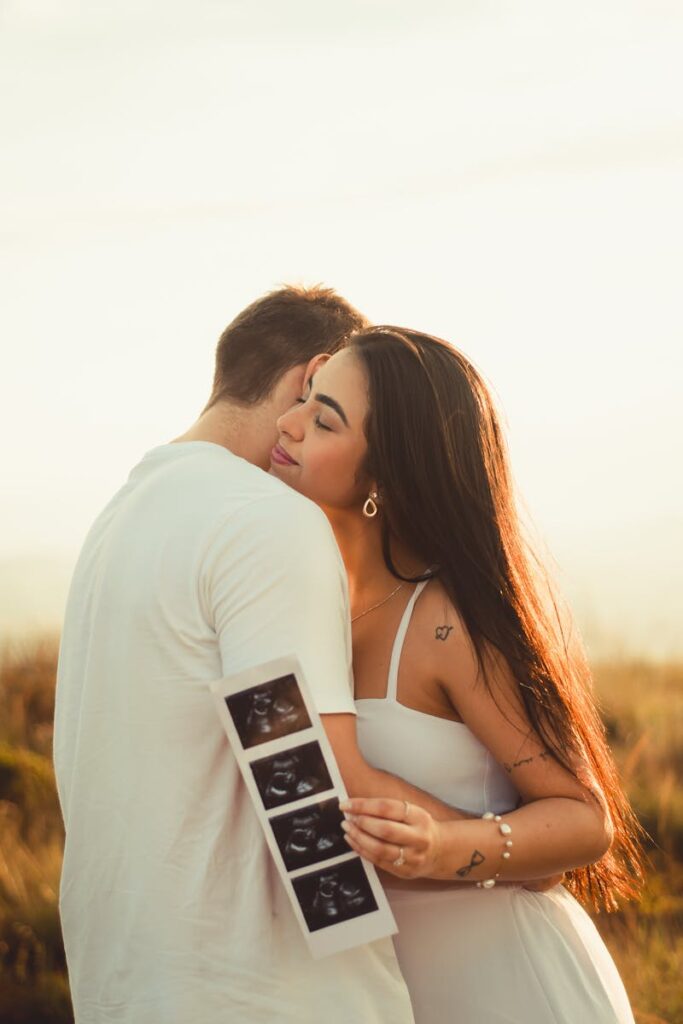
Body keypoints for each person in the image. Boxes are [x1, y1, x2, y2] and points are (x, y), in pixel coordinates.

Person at [54, 286, 446, 1024]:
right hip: (261, 992)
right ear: (316, 374)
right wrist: (506, 841)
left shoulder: (119, 517)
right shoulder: (263, 519)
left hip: (126, 983)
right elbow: (307, 782)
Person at [270, 326, 644, 1023]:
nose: (287, 425)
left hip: (510, 987)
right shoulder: (310, 606)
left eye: (323, 419)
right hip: (393, 994)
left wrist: (443, 846)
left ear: (385, 475)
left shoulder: (446, 620)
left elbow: (583, 819)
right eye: (305, 400)